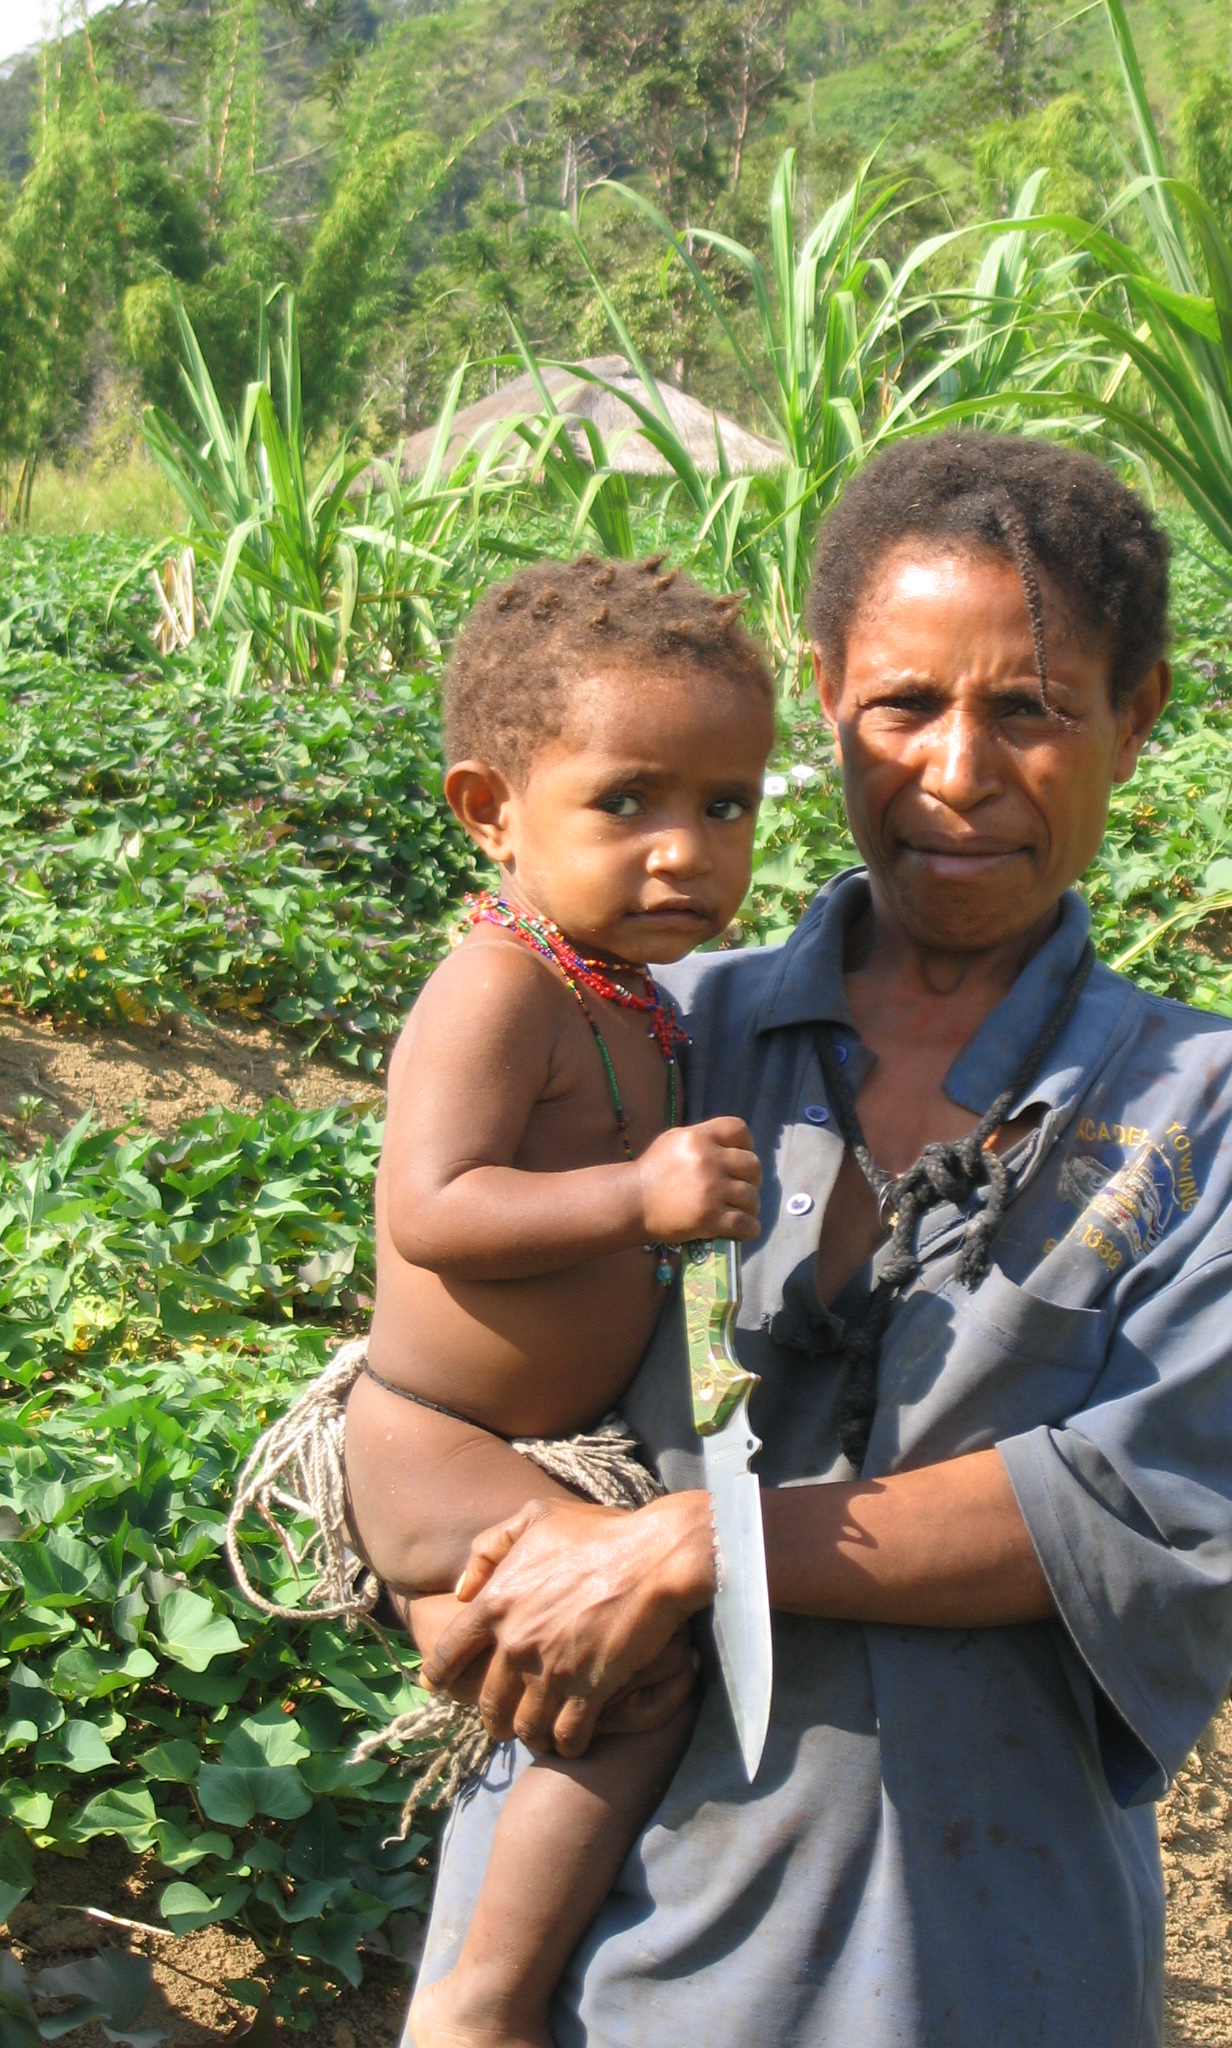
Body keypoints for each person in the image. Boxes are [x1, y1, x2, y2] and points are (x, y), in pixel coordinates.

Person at [400, 432, 1232, 2048]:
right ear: (827, 698)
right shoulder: (654, 1031)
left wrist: (707, 1543)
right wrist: (449, 1583)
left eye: (1032, 708)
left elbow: (1155, 1506)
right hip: (602, 1952)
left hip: (976, 1957)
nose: (958, 770)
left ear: (1136, 719)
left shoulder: (1204, 1108)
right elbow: (433, 1362)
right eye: (904, 704)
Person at [344, 554, 775, 2048]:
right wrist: (638, 1196)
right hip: (439, 1442)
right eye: (628, 802)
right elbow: (434, 1207)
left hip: (528, 1449)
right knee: (643, 1678)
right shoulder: (498, 989)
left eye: (727, 805)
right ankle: (485, 2001)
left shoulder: (625, 991)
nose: (686, 852)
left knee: (588, 1668)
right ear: (491, 810)